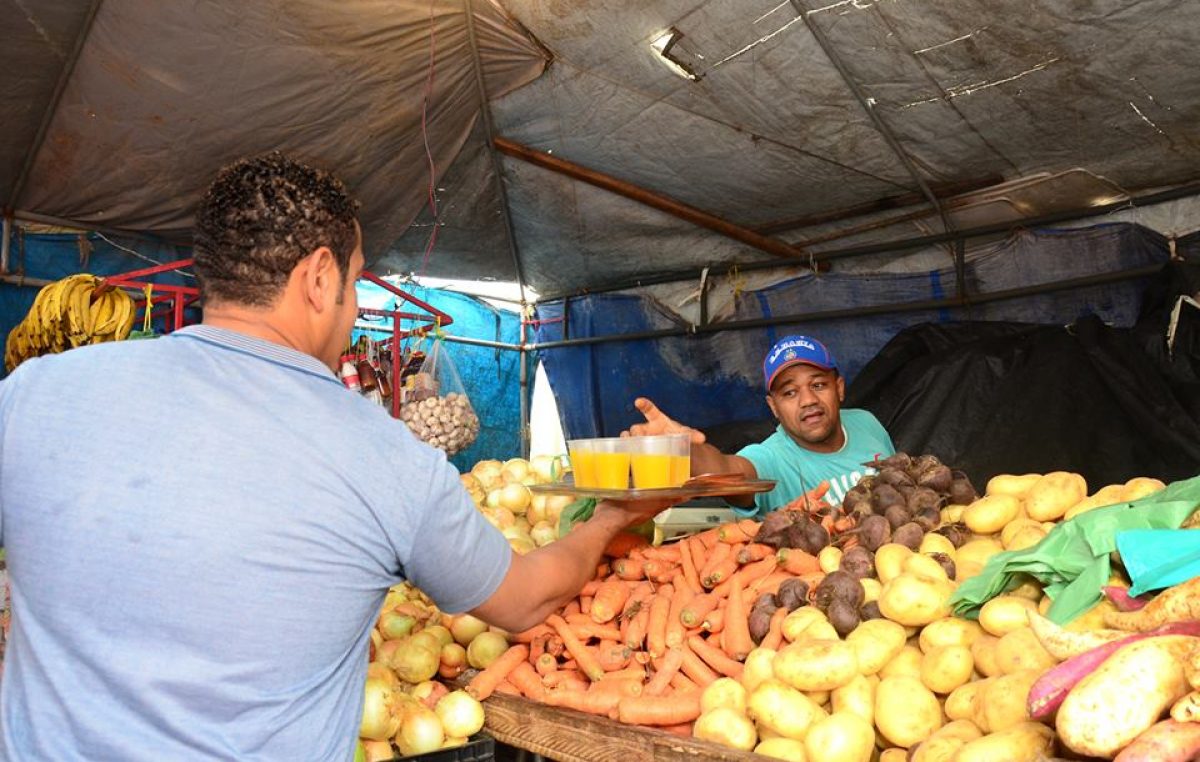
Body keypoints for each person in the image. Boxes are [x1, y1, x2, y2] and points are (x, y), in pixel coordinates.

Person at [0, 153, 667, 760]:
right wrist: (612, 517)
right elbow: (525, 601)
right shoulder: (382, 456)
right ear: (319, 278)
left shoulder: (35, 394)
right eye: (353, 283)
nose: (351, 311)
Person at [630, 335, 895, 516]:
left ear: (838, 388)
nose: (808, 400)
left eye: (818, 385)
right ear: (773, 407)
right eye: (790, 392)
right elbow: (726, 471)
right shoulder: (769, 459)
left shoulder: (865, 422)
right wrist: (680, 450)